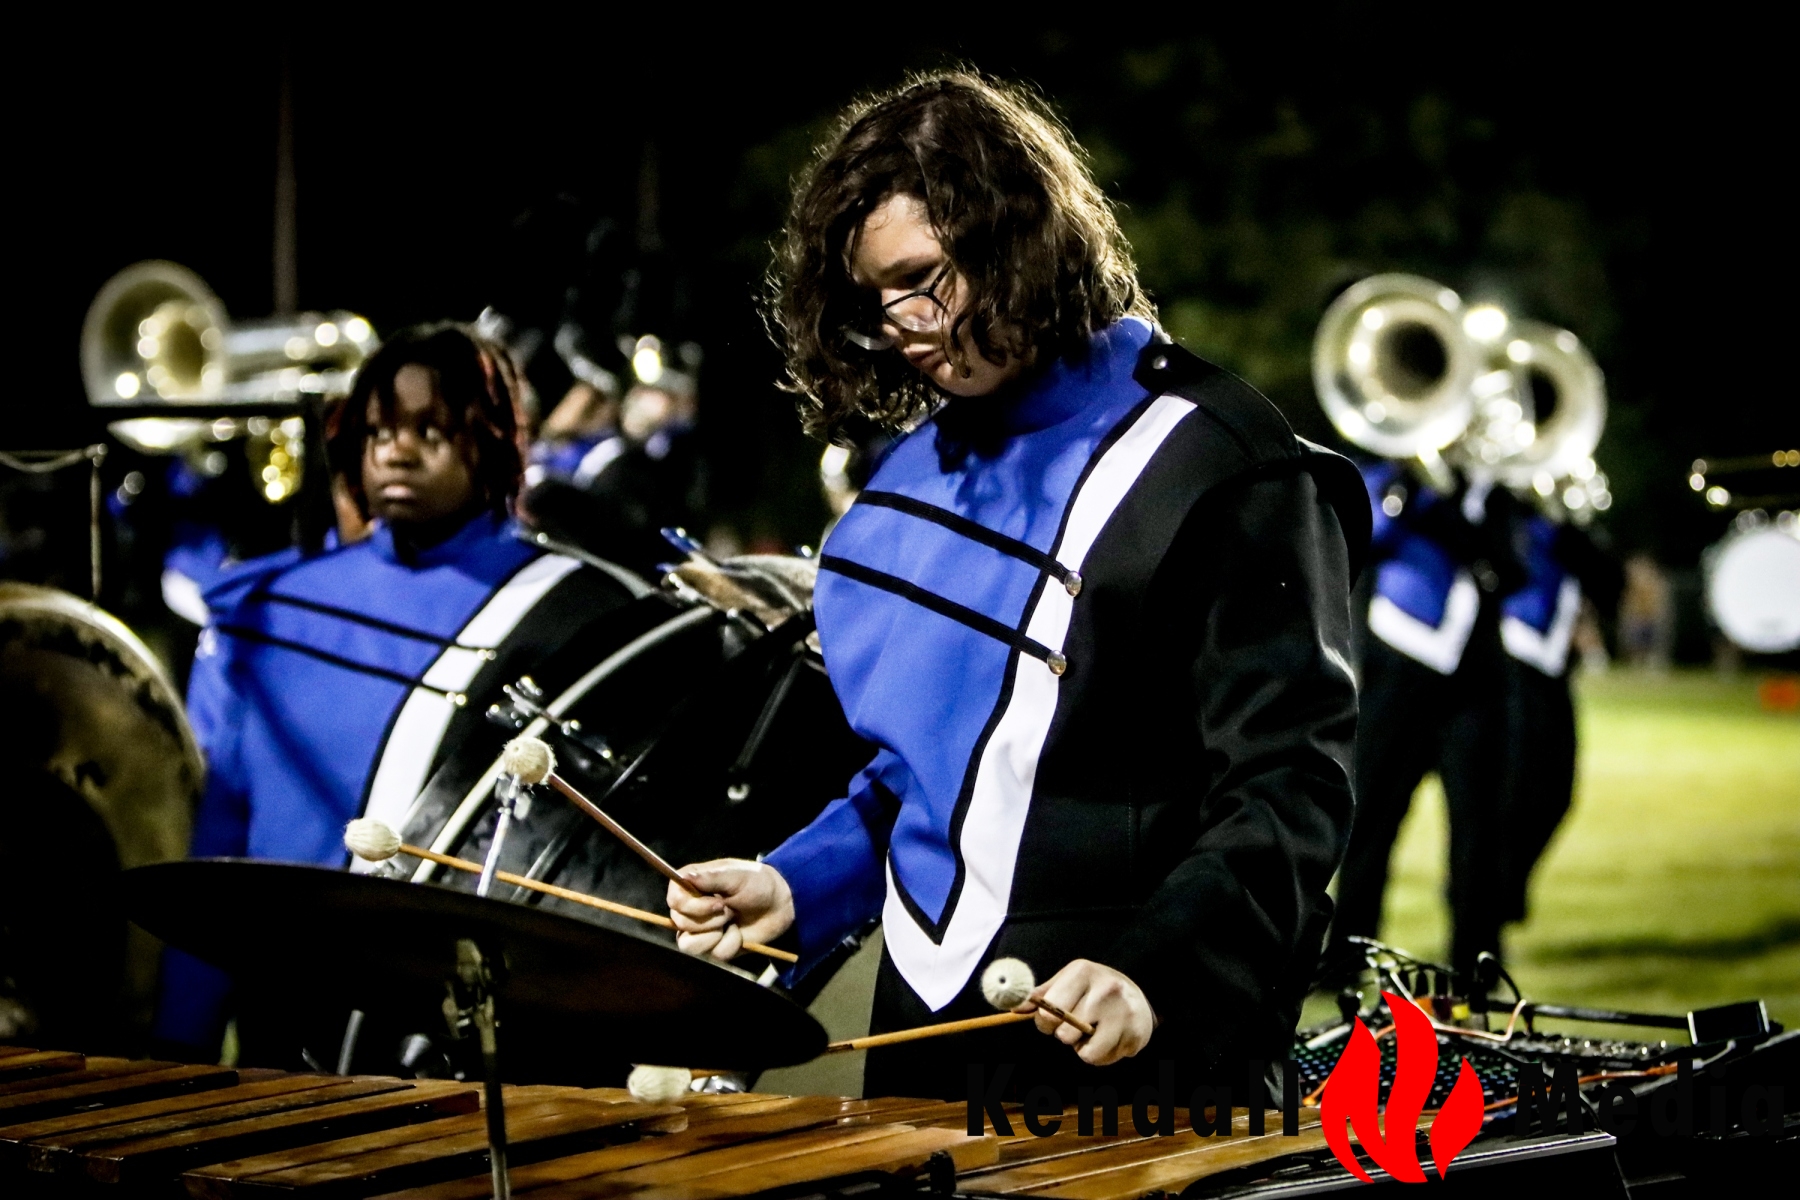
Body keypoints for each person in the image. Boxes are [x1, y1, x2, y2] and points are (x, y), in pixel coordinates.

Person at [665, 73, 1367, 1103]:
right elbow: (939, 783)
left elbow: (1286, 790)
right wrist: (795, 884)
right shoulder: (899, 492)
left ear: (1018, 239)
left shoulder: (1219, 465)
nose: (902, 324)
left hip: (1136, 1050)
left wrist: (1158, 969)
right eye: (873, 298)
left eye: (924, 278)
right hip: (921, 1041)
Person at [152, 323, 639, 1066]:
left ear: (491, 440)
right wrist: (179, 1042)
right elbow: (220, 841)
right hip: (283, 1018)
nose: (396, 451)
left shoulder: (583, 609)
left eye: (428, 430)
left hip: (479, 1037)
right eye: (378, 431)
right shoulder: (263, 611)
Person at [1325, 462, 1524, 982]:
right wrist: (1412, 490)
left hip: (1476, 678)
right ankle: (1346, 958)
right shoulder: (1390, 479)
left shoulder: (1496, 494)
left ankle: (1476, 965)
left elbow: (1512, 570)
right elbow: (1363, 539)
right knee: (1371, 821)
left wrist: (1459, 512)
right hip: (1398, 670)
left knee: (1477, 829)